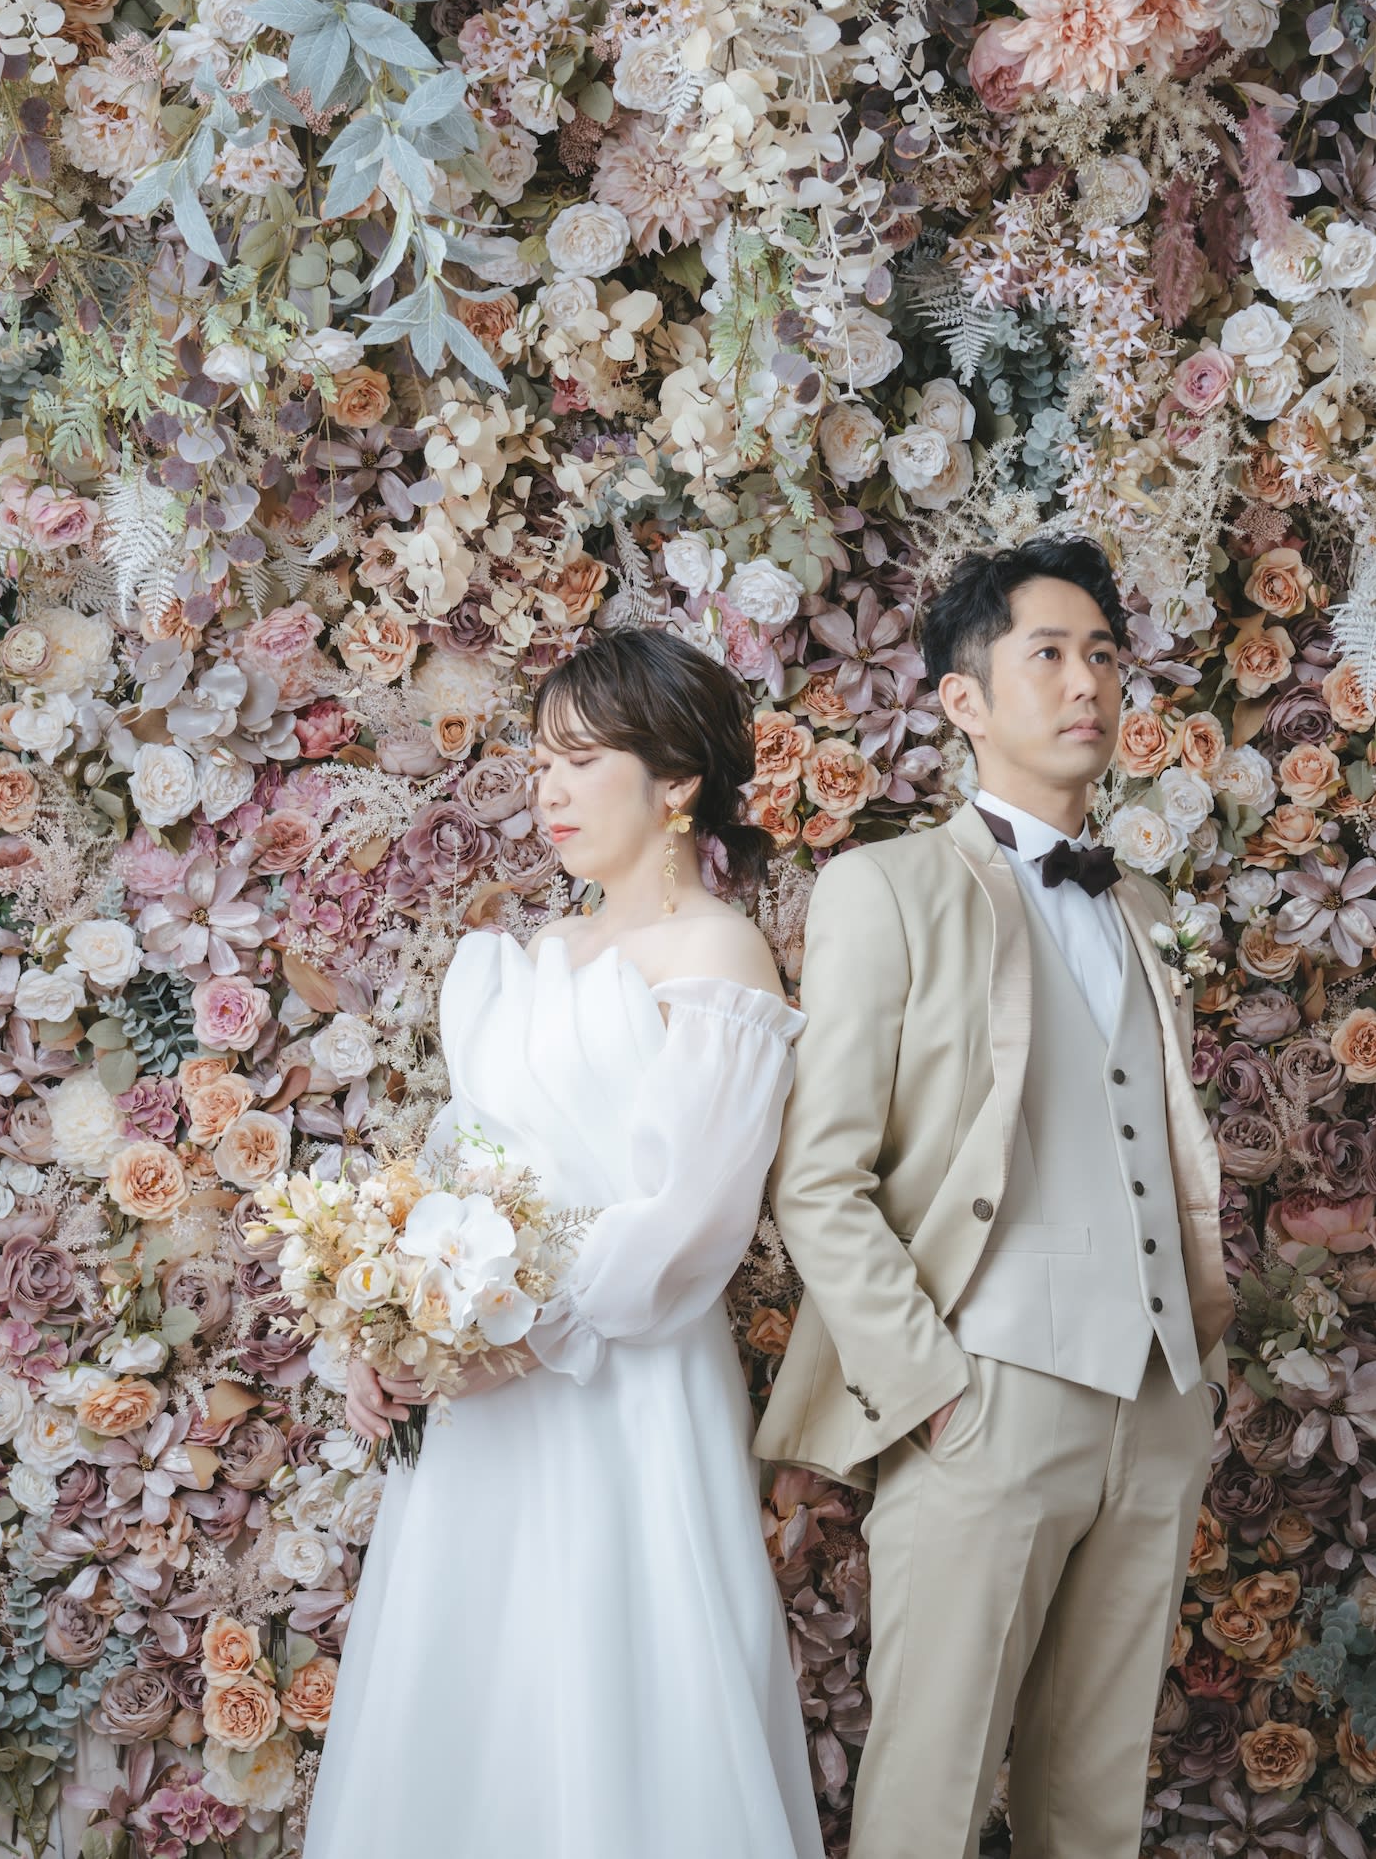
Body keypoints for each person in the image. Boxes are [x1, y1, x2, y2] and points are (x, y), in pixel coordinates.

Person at [302, 628, 825, 1859]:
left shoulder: (717, 951)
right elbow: (456, 1172)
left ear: (676, 779)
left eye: (582, 760)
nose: (549, 789)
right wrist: (391, 1329)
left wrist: (526, 1340)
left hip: (622, 1379)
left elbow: (693, 1212)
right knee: (476, 1687)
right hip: (480, 1395)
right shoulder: (529, 959)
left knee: (619, 1682)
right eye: (541, 761)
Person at [755, 535, 1233, 1859]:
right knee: (930, 1796)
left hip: (1156, 1401)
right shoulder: (886, 887)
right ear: (963, 698)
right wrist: (929, 1387)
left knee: (1094, 1805)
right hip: (985, 1397)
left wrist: (1196, 1376)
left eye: (1104, 654)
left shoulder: (1145, 906)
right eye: (1049, 653)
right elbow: (818, 1175)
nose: (1087, 682)